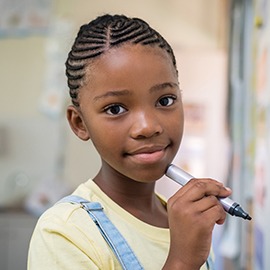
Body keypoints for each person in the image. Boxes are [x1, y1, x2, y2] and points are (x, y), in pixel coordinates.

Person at [27, 14, 231, 270]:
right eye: (115, 109)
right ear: (79, 124)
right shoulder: (63, 233)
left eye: (165, 100)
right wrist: (182, 261)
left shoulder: (184, 222)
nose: (148, 127)